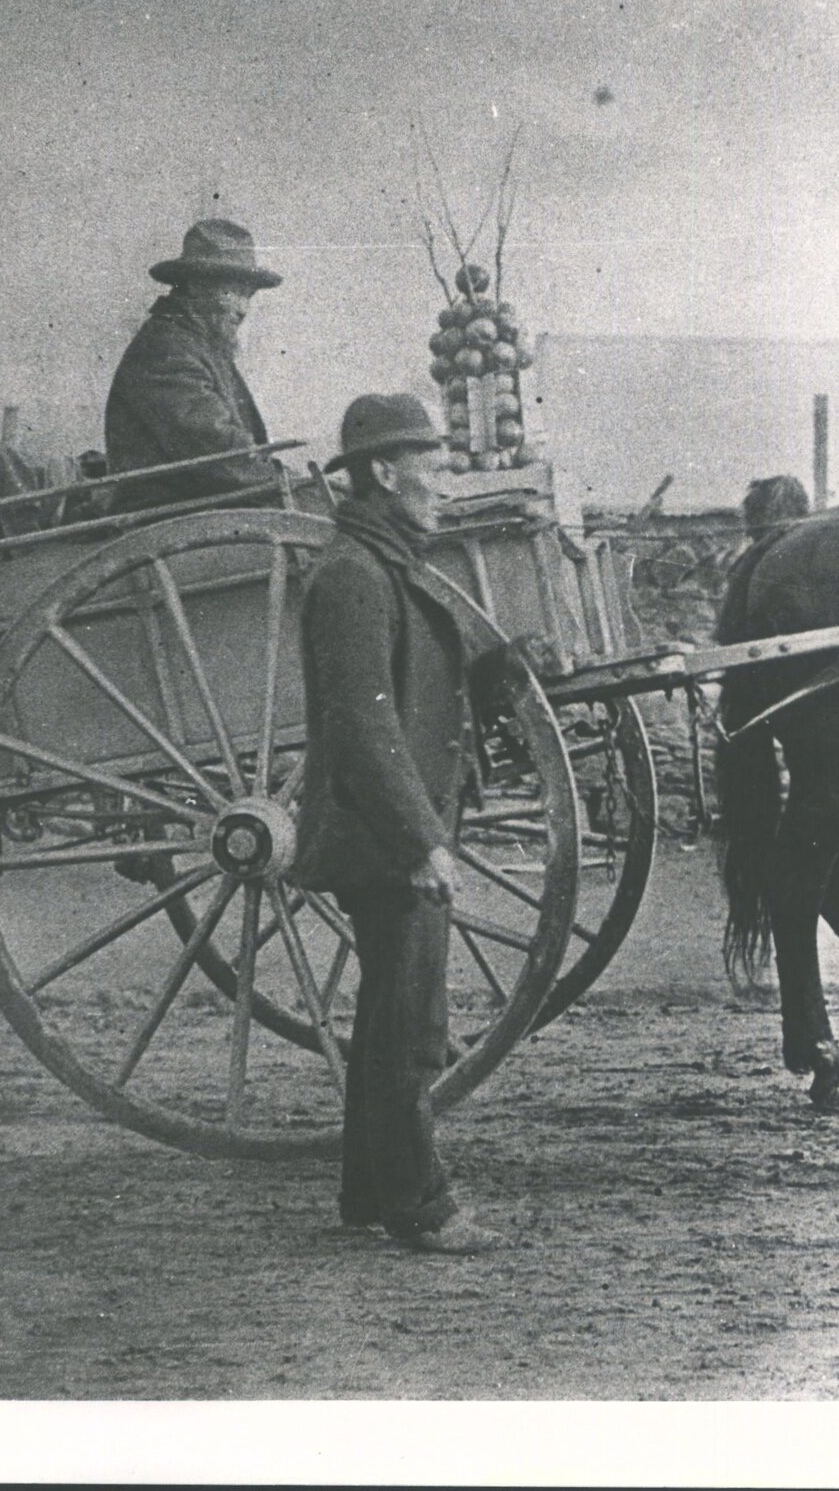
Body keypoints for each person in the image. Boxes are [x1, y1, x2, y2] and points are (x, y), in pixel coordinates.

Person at [287, 393, 502, 1255]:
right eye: (432, 467)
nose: (445, 485)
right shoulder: (353, 576)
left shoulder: (381, 566)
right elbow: (364, 728)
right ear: (384, 471)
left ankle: (369, 1190)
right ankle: (421, 1204)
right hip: (377, 835)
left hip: (385, 829)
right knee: (409, 1025)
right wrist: (421, 841)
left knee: (389, 1012)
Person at [104, 218, 284, 513]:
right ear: (197, 285)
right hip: (170, 517)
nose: (243, 309)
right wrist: (281, 479)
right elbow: (217, 452)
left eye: (248, 295)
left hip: (206, 508)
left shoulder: (200, 345)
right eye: (234, 292)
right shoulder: (166, 350)